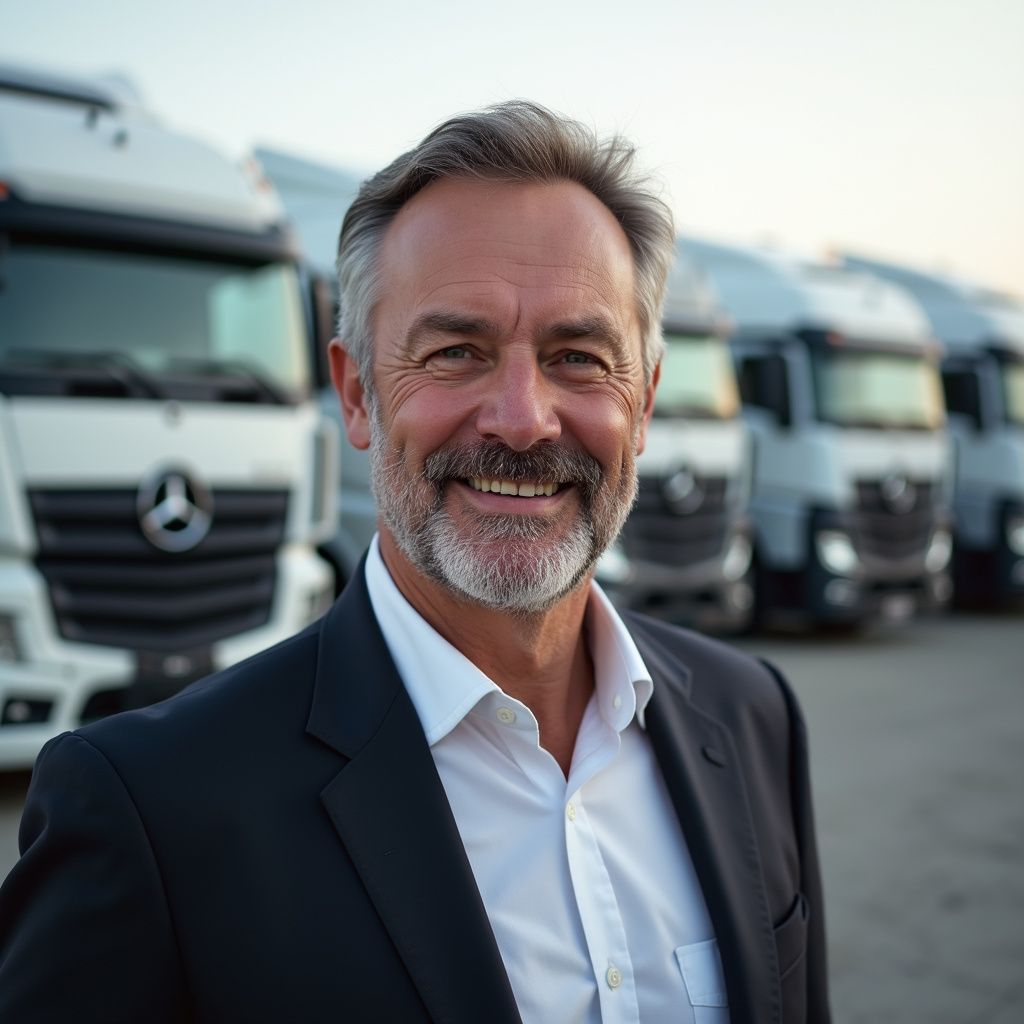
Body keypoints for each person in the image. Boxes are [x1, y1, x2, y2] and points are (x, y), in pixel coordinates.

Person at [0, 101, 830, 1023]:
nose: (522, 418)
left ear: (643, 403)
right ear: (357, 395)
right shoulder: (151, 808)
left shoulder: (752, 716)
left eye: (580, 357)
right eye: (456, 352)